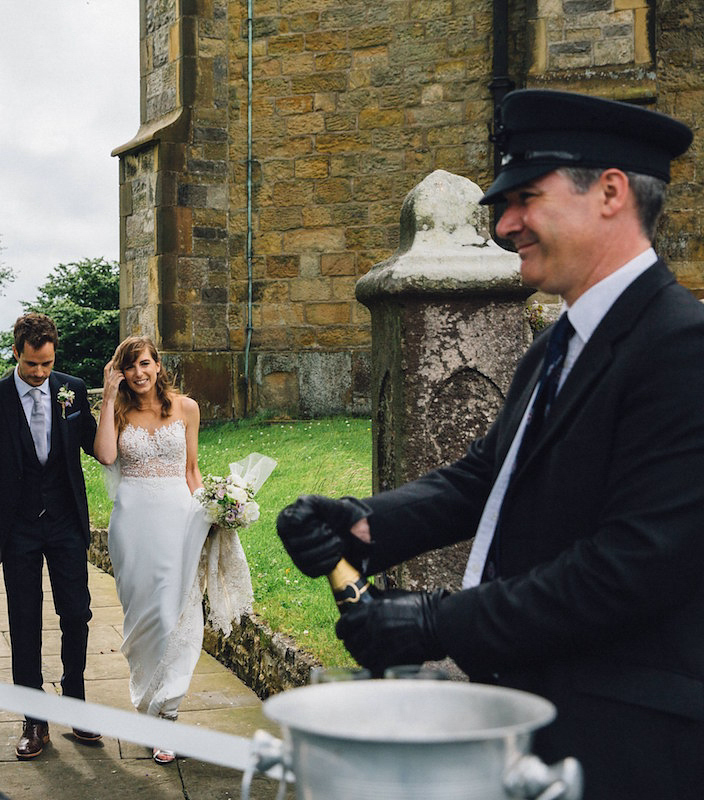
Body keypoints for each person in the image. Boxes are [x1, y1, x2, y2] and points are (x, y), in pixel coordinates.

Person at [276, 89, 704, 799]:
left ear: (610, 192)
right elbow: (484, 480)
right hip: (540, 718)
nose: (505, 226)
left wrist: (434, 622)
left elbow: (632, 567)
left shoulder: (681, 346)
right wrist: (359, 526)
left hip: (633, 745)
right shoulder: (556, 347)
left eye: (524, 198)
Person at [0, 313, 100, 760]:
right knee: (24, 619)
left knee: (76, 614)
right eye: (32, 365)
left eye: (47, 365)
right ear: (17, 352)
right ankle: (34, 719)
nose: (40, 374)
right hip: (18, 524)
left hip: (65, 522)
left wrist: (117, 401)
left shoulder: (72, 389)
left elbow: (96, 446)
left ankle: (76, 703)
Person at [94, 335, 211, 765]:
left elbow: (192, 471)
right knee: (142, 617)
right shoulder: (118, 410)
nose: (138, 373)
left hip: (179, 519)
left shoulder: (187, 408)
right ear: (120, 372)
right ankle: (146, 705)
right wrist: (108, 398)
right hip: (134, 523)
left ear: (158, 365)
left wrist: (216, 512)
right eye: (129, 367)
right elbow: (106, 456)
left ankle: (167, 715)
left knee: (175, 616)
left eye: (145, 364)